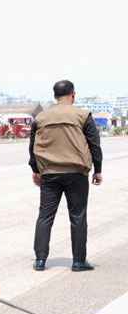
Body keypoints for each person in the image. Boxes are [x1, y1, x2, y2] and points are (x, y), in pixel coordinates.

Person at [30, 79, 103, 272]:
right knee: (78, 216)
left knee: (45, 216)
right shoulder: (82, 115)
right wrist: (98, 170)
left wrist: (35, 170)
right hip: (76, 173)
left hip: (50, 174)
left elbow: (32, 147)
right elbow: (94, 144)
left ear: (55, 96)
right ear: (73, 95)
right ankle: (78, 261)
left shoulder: (41, 117)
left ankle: (40, 261)